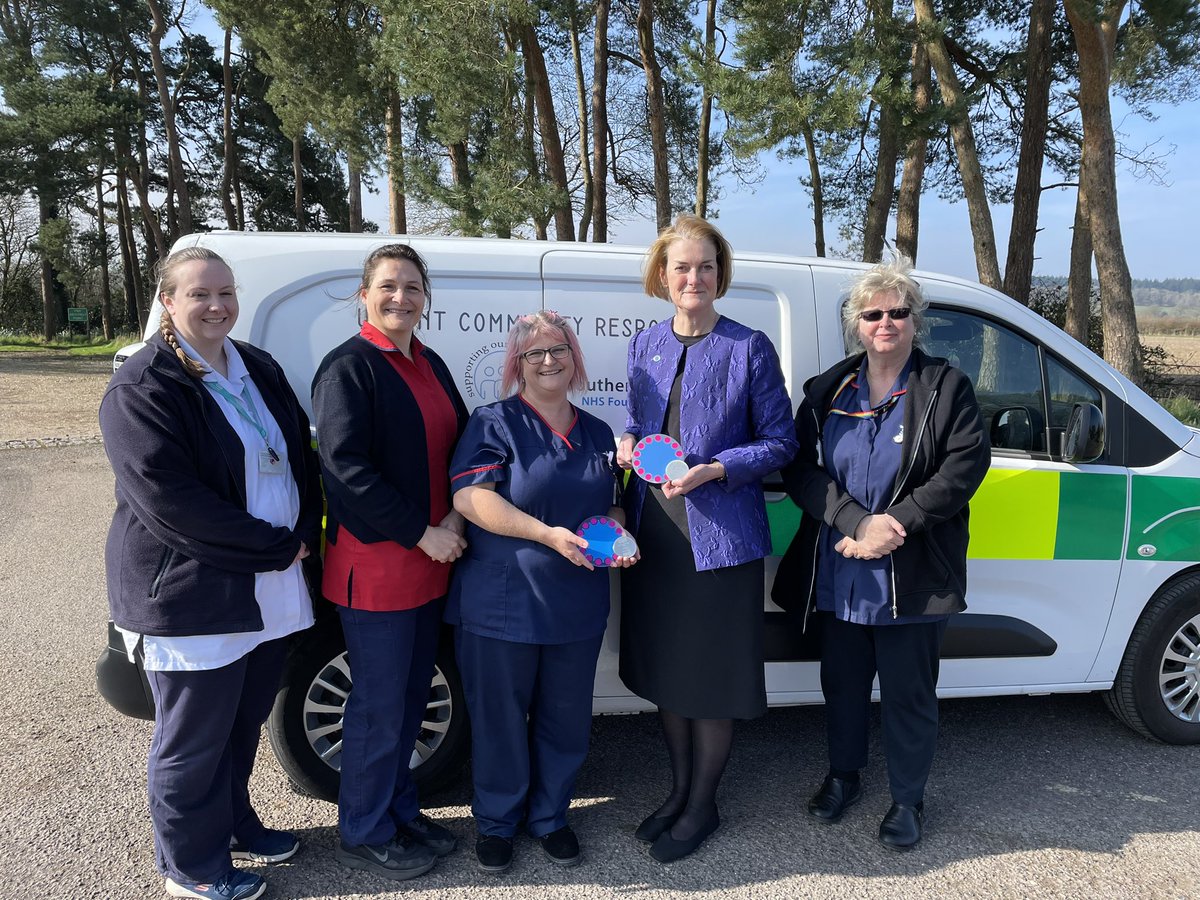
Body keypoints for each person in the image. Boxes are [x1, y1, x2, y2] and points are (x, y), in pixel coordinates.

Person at [100, 248, 322, 900]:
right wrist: (274, 547)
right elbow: (171, 502)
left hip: (268, 584)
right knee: (191, 741)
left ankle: (233, 824)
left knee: (242, 722)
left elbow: (298, 455)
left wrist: (303, 532)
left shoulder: (255, 364)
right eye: (200, 294)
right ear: (168, 301)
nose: (218, 305)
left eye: (226, 292)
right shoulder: (144, 387)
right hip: (193, 591)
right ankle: (191, 868)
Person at [775, 258, 990, 850]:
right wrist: (854, 520)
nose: (886, 322)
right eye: (873, 314)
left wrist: (894, 522)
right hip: (841, 566)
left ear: (915, 320)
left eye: (898, 312)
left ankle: (906, 799)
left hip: (912, 570)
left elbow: (965, 466)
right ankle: (843, 778)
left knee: (908, 694)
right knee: (841, 686)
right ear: (857, 323)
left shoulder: (946, 386)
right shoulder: (827, 390)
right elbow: (800, 467)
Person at [616, 214, 798, 863]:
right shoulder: (645, 345)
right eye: (681, 267)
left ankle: (703, 804)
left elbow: (782, 440)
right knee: (670, 675)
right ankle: (678, 789)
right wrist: (630, 444)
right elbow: (640, 423)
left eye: (705, 266)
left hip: (719, 542)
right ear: (662, 276)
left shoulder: (747, 347)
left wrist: (719, 467)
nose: (694, 277)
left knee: (711, 679)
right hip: (656, 540)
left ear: (720, 275)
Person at [447, 310, 635, 874]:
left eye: (559, 350)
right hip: (503, 601)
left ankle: (551, 817)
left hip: (576, 602)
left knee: (566, 717)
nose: (549, 360)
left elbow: (612, 504)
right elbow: (470, 500)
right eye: (535, 353)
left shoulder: (600, 433)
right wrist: (545, 534)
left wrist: (618, 528)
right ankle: (498, 823)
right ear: (517, 365)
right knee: (500, 718)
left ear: (576, 359)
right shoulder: (494, 422)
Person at [311, 244, 468, 881]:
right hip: (378, 565)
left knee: (410, 699)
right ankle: (364, 828)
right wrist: (420, 532)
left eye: (411, 287)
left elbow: (458, 445)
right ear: (364, 294)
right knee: (378, 705)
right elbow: (345, 471)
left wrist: (455, 517)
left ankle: (400, 808)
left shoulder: (428, 362)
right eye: (388, 286)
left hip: (434, 556)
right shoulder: (349, 367)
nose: (401, 297)